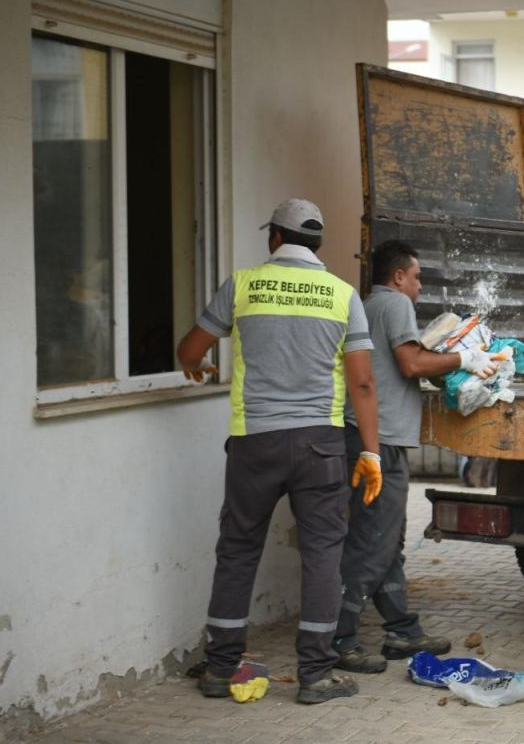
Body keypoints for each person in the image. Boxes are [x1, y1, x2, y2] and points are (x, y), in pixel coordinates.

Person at [176, 198, 382, 705]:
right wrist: (371, 452)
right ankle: (315, 675)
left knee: (238, 550)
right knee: (322, 554)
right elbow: (362, 384)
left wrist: (197, 368)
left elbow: (189, 351)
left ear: (275, 238)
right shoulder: (341, 295)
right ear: (316, 243)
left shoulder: (243, 284)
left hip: (255, 442)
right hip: (319, 443)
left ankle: (222, 667)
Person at [331, 239, 505, 672]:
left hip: (374, 436)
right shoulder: (393, 305)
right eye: (417, 276)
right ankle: (338, 636)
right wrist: (463, 357)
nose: (421, 286)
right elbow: (410, 363)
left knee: (386, 538)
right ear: (398, 277)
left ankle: (401, 630)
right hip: (379, 440)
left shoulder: (370, 305)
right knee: (373, 543)